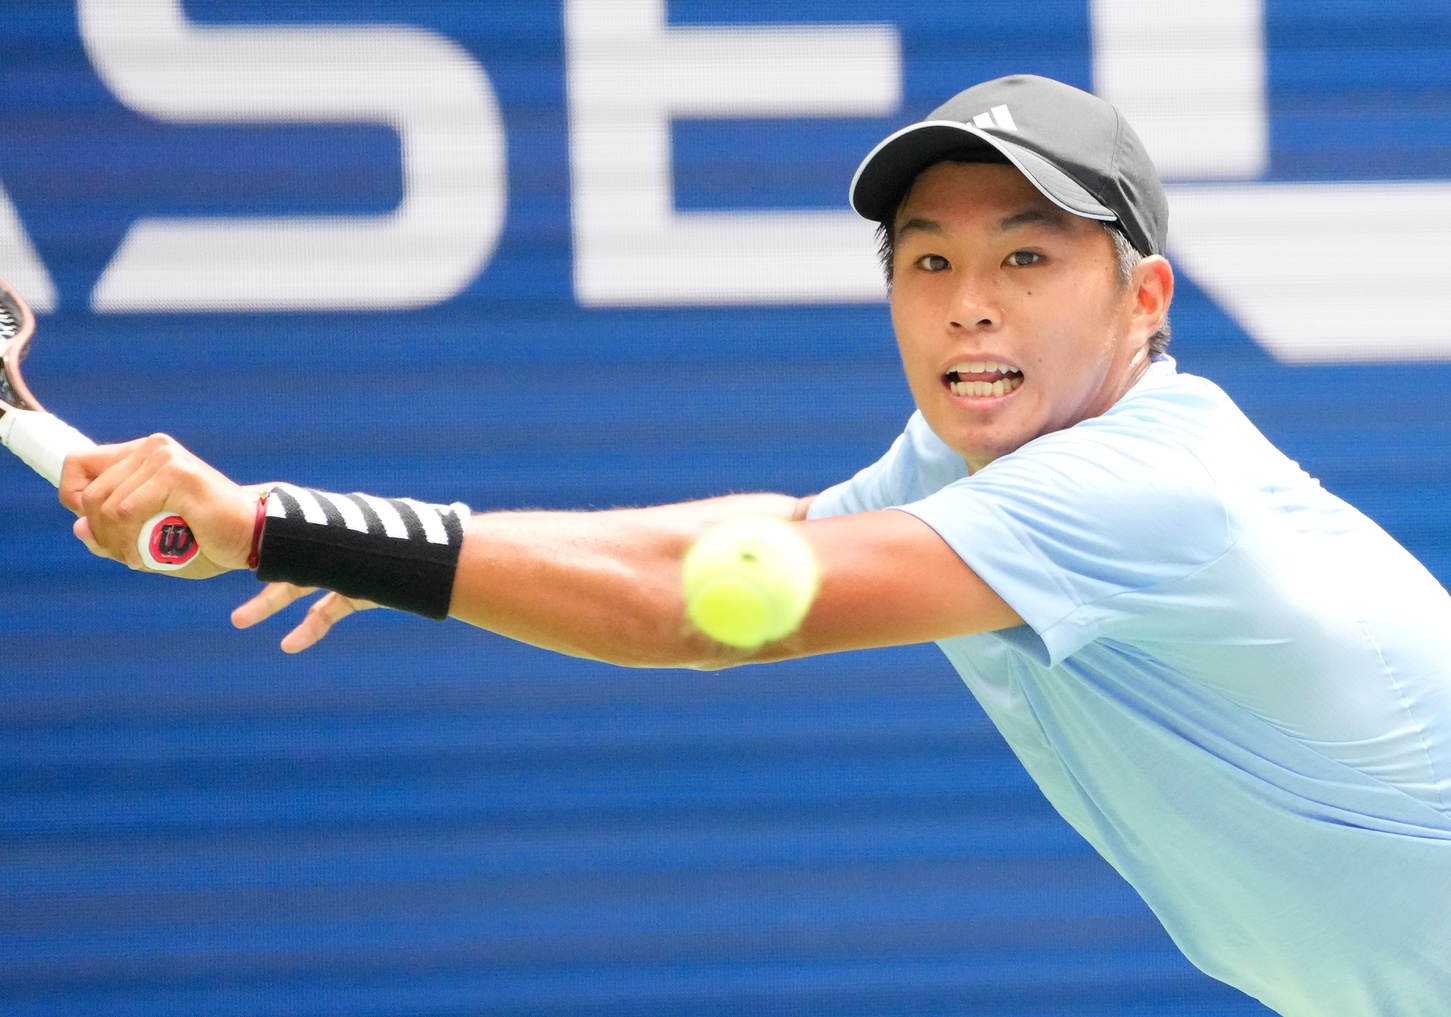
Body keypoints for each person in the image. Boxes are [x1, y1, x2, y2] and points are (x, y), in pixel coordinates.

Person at [59, 74, 1451, 1016]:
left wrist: (279, 526)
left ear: (1144, 297)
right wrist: (362, 536)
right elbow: (769, 536)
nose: (970, 304)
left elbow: (695, 605)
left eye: (1028, 257)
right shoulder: (992, 455)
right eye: (928, 260)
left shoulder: (1141, 489)